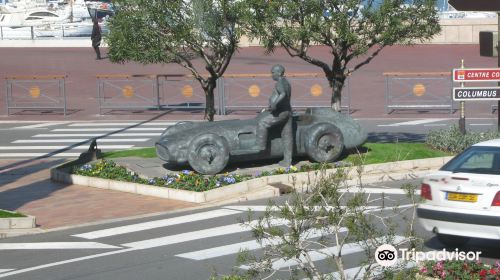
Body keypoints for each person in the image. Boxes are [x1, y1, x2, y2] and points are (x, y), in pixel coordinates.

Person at [255, 64, 293, 166]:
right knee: (287, 136)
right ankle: (287, 160)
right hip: (288, 111)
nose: (271, 75)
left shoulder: (280, 82)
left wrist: (274, 104)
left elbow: (283, 94)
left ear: (279, 73)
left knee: (262, 122)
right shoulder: (286, 82)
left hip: (281, 112)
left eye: (273, 72)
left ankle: (260, 147)